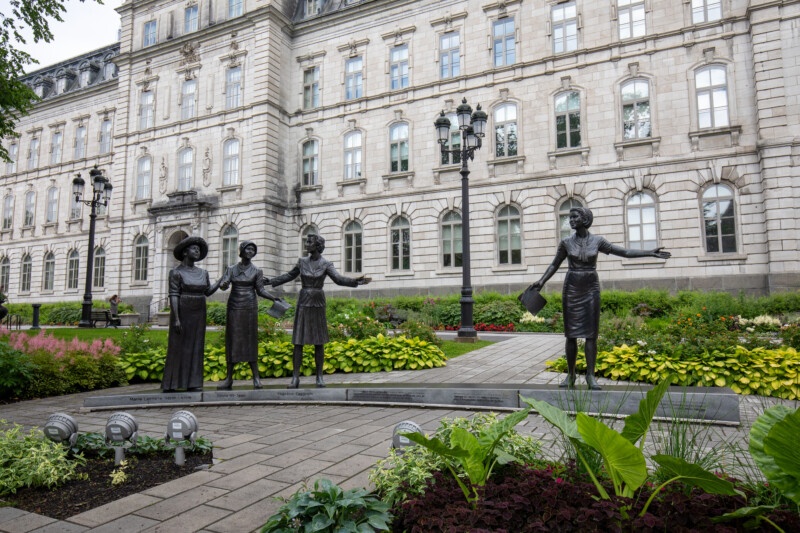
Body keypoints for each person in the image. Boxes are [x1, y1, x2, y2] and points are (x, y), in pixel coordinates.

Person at [529, 206, 670, 390]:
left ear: (585, 219)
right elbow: (554, 264)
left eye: (574, 216)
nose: (570, 220)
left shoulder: (598, 241)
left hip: (590, 288)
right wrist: (541, 281)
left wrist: (649, 252)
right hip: (572, 287)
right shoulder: (565, 242)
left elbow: (624, 252)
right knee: (570, 335)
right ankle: (570, 376)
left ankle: (590, 376)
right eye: (569, 217)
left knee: (591, 335)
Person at [270, 234, 370, 388]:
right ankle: (295, 378)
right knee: (298, 341)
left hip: (317, 301)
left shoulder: (326, 264)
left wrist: (354, 281)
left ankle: (319, 378)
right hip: (303, 301)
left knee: (319, 341)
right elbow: (289, 276)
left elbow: (338, 279)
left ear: (317, 245)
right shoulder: (302, 262)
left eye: (309, 242)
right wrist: (271, 281)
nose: (307, 244)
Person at [216, 240, 282, 390]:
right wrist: (224, 284)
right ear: (241, 251)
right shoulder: (231, 269)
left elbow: (260, 290)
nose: (250, 252)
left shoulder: (257, 271)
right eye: (248, 249)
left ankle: (256, 378)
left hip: (250, 307)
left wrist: (273, 297)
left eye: (253, 249)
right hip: (234, 306)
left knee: (250, 340)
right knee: (232, 341)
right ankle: (229, 378)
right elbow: (224, 282)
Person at [162, 236, 221, 392]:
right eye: (194, 248)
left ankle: (193, 382)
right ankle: (172, 383)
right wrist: (176, 318)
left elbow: (207, 291)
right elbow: (173, 294)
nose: (197, 251)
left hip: (199, 311)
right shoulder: (176, 272)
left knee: (196, 346)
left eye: (199, 249)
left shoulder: (203, 273)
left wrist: (221, 281)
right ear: (185, 252)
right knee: (178, 347)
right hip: (182, 310)